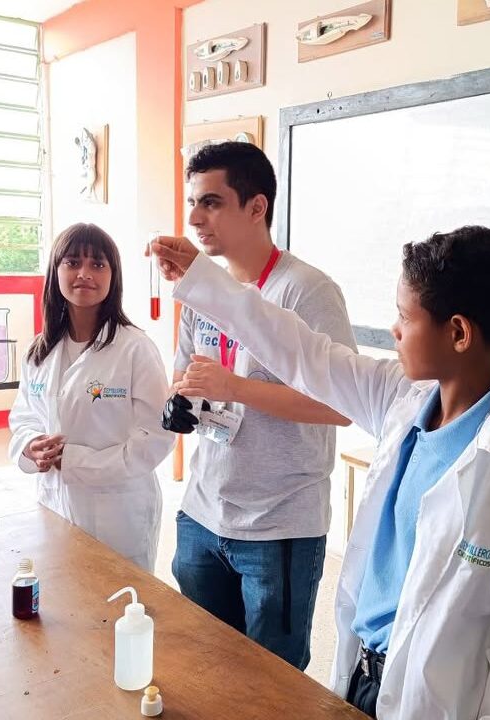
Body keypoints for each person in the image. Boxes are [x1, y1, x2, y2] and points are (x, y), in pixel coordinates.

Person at [151, 225, 490, 720]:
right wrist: (202, 276)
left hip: (433, 702)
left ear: (458, 333)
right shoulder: (399, 399)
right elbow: (300, 350)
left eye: (405, 317)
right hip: (360, 675)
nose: (395, 330)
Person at [161, 141, 357, 671]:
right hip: (203, 509)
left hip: (278, 523)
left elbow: (341, 406)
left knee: (272, 681)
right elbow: (184, 373)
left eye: (211, 203)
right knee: (207, 664)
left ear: (256, 207)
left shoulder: (307, 290)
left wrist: (236, 388)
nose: (195, 219)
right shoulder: (200, 289)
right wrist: (178, 399)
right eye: (193, 203)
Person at [8, 223, 174, 571]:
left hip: (118, 514)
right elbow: (23, 417)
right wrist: (29, 446)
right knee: (63, 590)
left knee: (118, 596)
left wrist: (74, 461)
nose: (84, 273)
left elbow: (156, 438)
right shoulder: (39, 351)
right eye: (72, 262)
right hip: (54, 502)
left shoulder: (135, 348)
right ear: (55, 271)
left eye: (97, 264)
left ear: (114, 276)